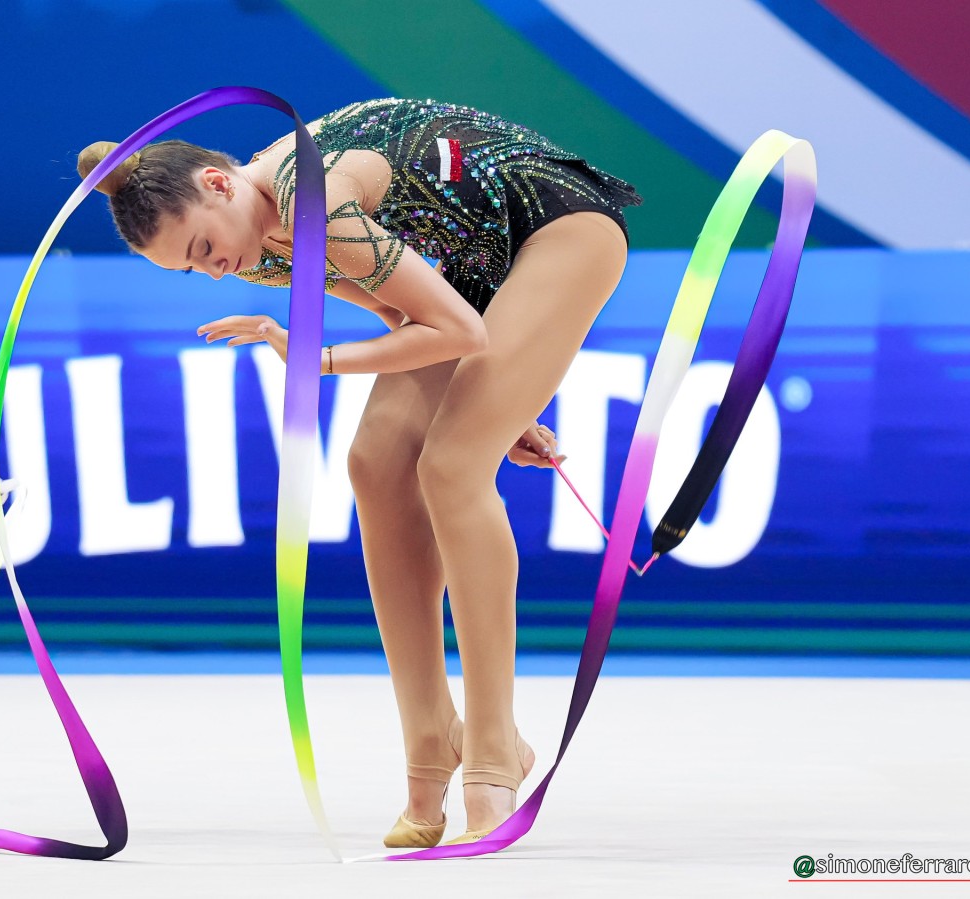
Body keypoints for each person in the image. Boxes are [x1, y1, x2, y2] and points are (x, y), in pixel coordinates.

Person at [76, 97, 639, 847]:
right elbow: (406, 313)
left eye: (205, 247)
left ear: (217, 182)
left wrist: (316, 358)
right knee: (374, 464)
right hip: (474, 269)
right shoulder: (261, 244)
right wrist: (503, 404)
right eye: (193, 268)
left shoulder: (310, 196)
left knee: (452, 467)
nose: (214, 271)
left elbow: (459, 331)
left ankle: (494, 747)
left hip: (558, 225)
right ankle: (431, 743)